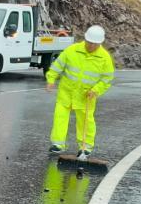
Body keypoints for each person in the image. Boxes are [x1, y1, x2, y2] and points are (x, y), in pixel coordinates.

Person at [46, 25, 115, 160]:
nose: (91, 46)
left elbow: (107, 79)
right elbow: (57, 66)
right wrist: (51, 79)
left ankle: (85, 147)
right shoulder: (72, 50)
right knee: (60, 117)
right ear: (85, 39)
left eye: (94, 44)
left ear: (100, 43)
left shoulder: (104, 58)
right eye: (89, 43)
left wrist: (96, 90)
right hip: (66, 92)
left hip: (86, 96)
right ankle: (58, 144)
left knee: (85, 121)